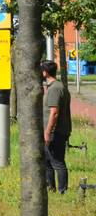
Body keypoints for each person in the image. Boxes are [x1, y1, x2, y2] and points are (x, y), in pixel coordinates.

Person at [42, 59, 72, 194]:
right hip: (55, 131)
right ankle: (51, 189)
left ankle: (62, 191)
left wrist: (47, 132)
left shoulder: (55, 88)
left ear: (45, 73)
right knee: (47, 161)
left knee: (57, 162)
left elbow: (54, 113)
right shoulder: (57, 86)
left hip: (56, 132)